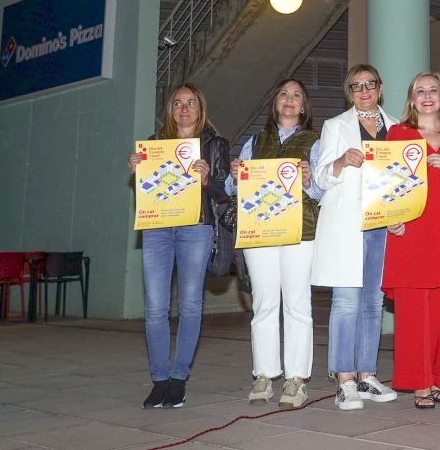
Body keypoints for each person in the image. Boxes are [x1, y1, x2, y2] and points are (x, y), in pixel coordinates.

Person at [127, 82, 229, 410]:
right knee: (155, 307)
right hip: (157, 228)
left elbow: (226, 192)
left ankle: (179, 379)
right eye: (177, 103)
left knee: (190, 305)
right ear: (170, 110)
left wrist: (208, 180)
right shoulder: (154, 144)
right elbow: (148, 189)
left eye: (190, 103)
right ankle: (159, 379)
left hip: (196, 227)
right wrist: (138, 171)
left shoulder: (216, 144)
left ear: (200, 109)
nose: (184, 109)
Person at [382, 72, 440, 409]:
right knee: (412, 313)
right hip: (410, 232)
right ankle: (419, 382)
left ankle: (439, 378)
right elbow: (383, 182)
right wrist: (390, 218)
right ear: (411, 99)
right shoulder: (398, 134)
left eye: (433, 91)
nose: (426, 96)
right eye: (420, 91)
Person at [310, 64, 399, 410]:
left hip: (382, 223)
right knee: (346, 302)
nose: (364, 91)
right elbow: (320, 178)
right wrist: (340, 161)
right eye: (356, 86)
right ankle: (344, 380)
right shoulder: (335, 126)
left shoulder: (395, 126)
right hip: (346, 222)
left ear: (380, 88)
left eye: (369, 84)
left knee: (373, 302)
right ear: (349, 93)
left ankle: (367, 375)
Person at [228, 78, 318, 409]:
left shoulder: (316, 142)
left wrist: (309, 181)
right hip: (261, 231)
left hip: (299, 231)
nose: (290, 99)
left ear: (304, 106)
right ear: (275, 103)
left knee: (297, 304)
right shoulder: (254, 141)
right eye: (283, 94)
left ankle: (296, 379)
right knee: (264, 303)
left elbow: (323, 191)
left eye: (296, 95)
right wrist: (234, 174)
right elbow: (231, 189)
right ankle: (264, 374)